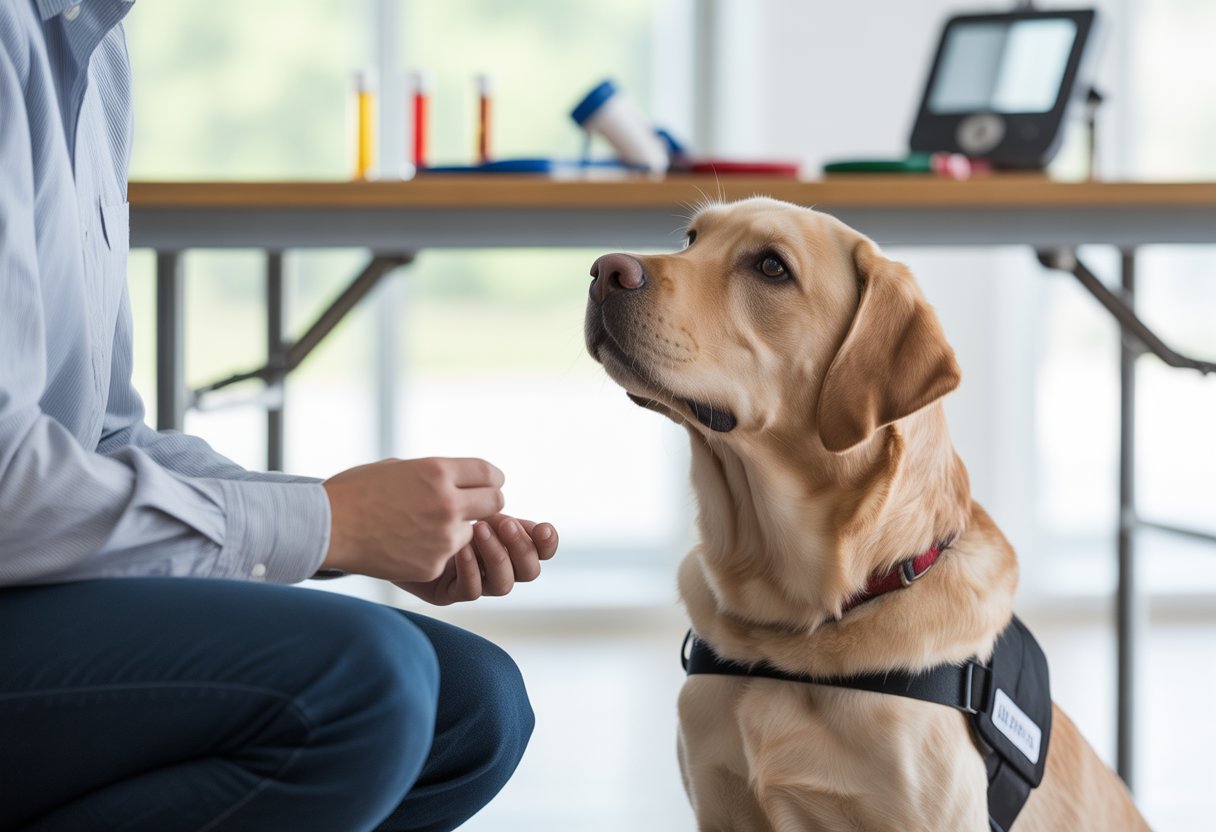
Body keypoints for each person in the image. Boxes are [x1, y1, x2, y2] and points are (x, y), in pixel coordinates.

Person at [0, 2, 559, 829]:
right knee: (364, 681)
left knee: (474, 705)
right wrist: (326, 525)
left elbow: (105, 438)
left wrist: (361, 526)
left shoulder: (95, 44)